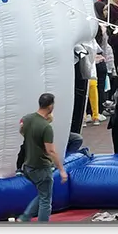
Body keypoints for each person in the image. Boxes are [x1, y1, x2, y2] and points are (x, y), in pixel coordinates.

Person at [17, 93, 68, 222]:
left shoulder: (27, 118)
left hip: (28, 165)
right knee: (46, 200)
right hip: (41, 167)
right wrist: (61, 170)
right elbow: (50, 150)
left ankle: (24, 218)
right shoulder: (46, 127)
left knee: (42, 194)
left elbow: (22, 129)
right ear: (50, 106)